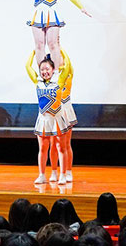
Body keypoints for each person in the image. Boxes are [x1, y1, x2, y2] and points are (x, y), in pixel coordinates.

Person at [26, 50, 71, 184]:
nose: (44, 71)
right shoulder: (37, 81)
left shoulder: (59, 81)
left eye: (47, 69)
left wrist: (60, 51)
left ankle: (62, 174)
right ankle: (41, 175)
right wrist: (34, 52)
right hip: (43, 119)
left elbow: (68, 66)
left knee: (61, 148)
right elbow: (28, 67)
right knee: (43, 149)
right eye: (42, 69)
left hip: (57, 118)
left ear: (53, 70)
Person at [49, 57, 76, 183]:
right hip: (53, 111)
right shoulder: (49, 78)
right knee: (53, 145)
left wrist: (60, 48)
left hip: (65, 110)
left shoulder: (67, 75)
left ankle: (67, 171)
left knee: (65, 144)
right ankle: (54, 171)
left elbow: (69, 65)